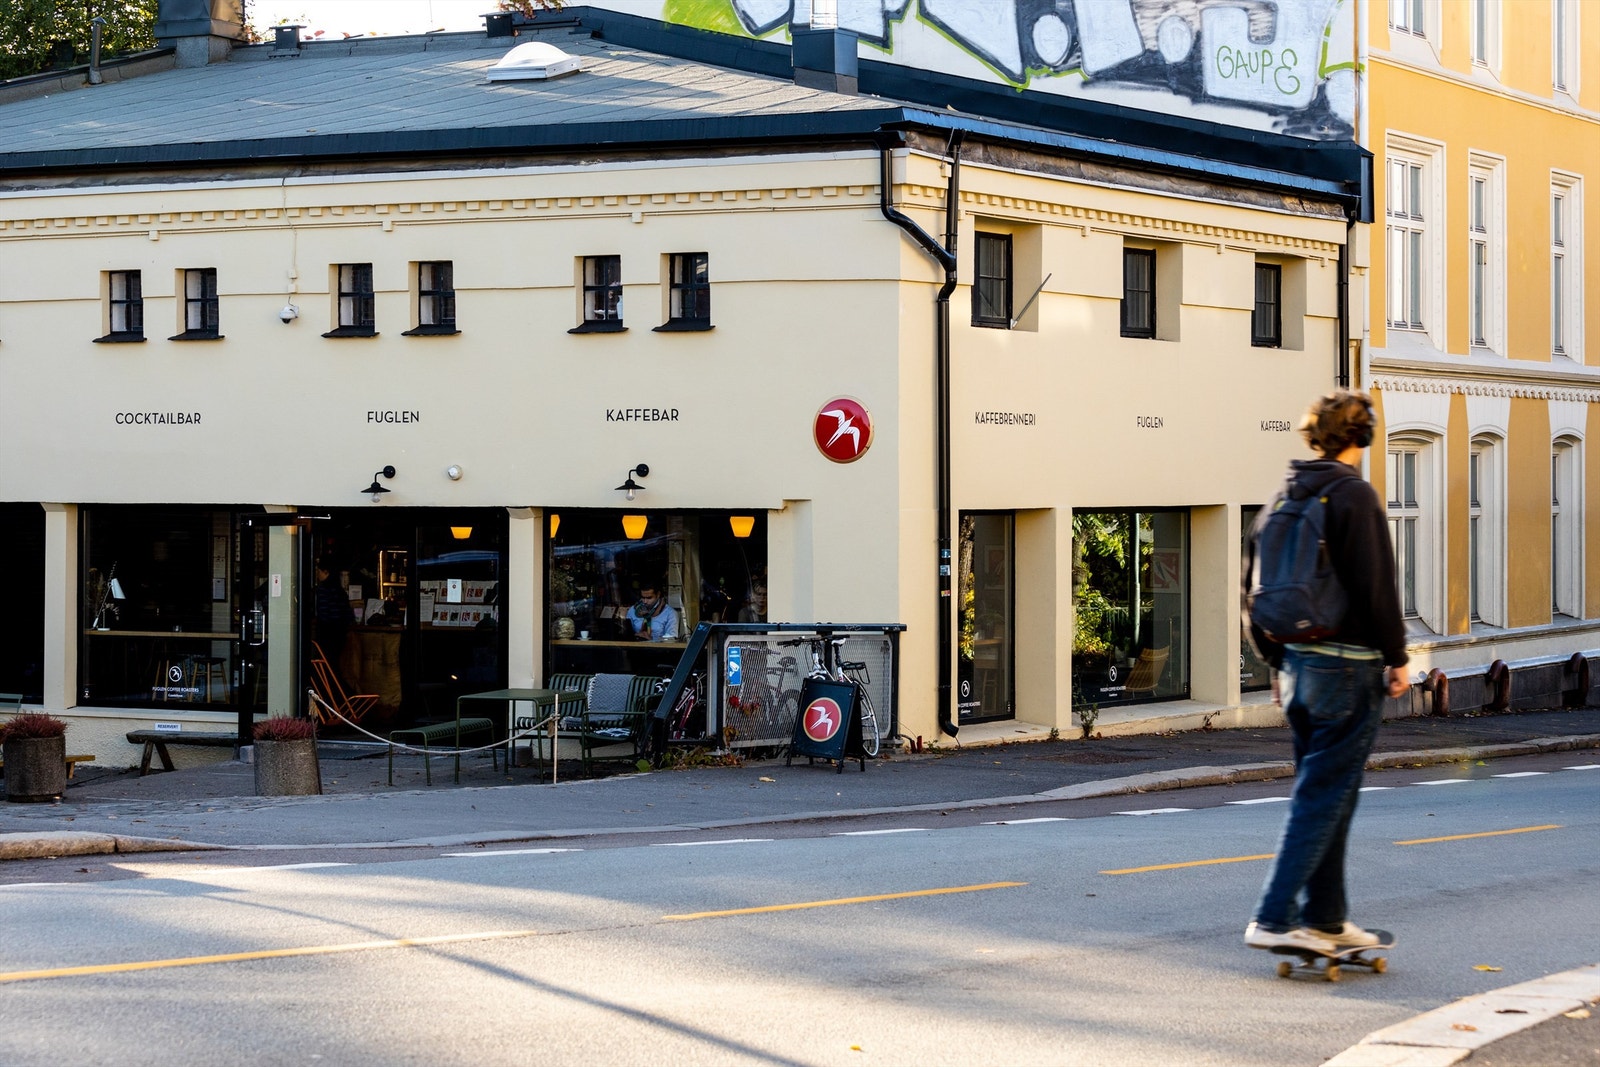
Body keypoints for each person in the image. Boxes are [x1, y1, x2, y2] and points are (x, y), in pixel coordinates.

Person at [1242, 390, 1408, 955]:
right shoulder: (1355, 497)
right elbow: (1376, 586)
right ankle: (1273, 916)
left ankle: (1328, 919)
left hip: (1297, 670)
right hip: (1348, 670)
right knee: (1324, 795)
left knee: (1330, 793)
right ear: (1362, 438)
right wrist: (1398, 657)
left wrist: (1274, 661)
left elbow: (1251, 591)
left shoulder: (1279, 499)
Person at [313, 560, 355, 666]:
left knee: (325, 663)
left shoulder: (323, 589)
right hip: (340, 633)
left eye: (319, 571)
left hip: (327, 633)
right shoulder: (339, 589)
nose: (317, 574)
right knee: (335, 663)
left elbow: (323, 613)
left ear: (326, 572)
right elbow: (347, 612)